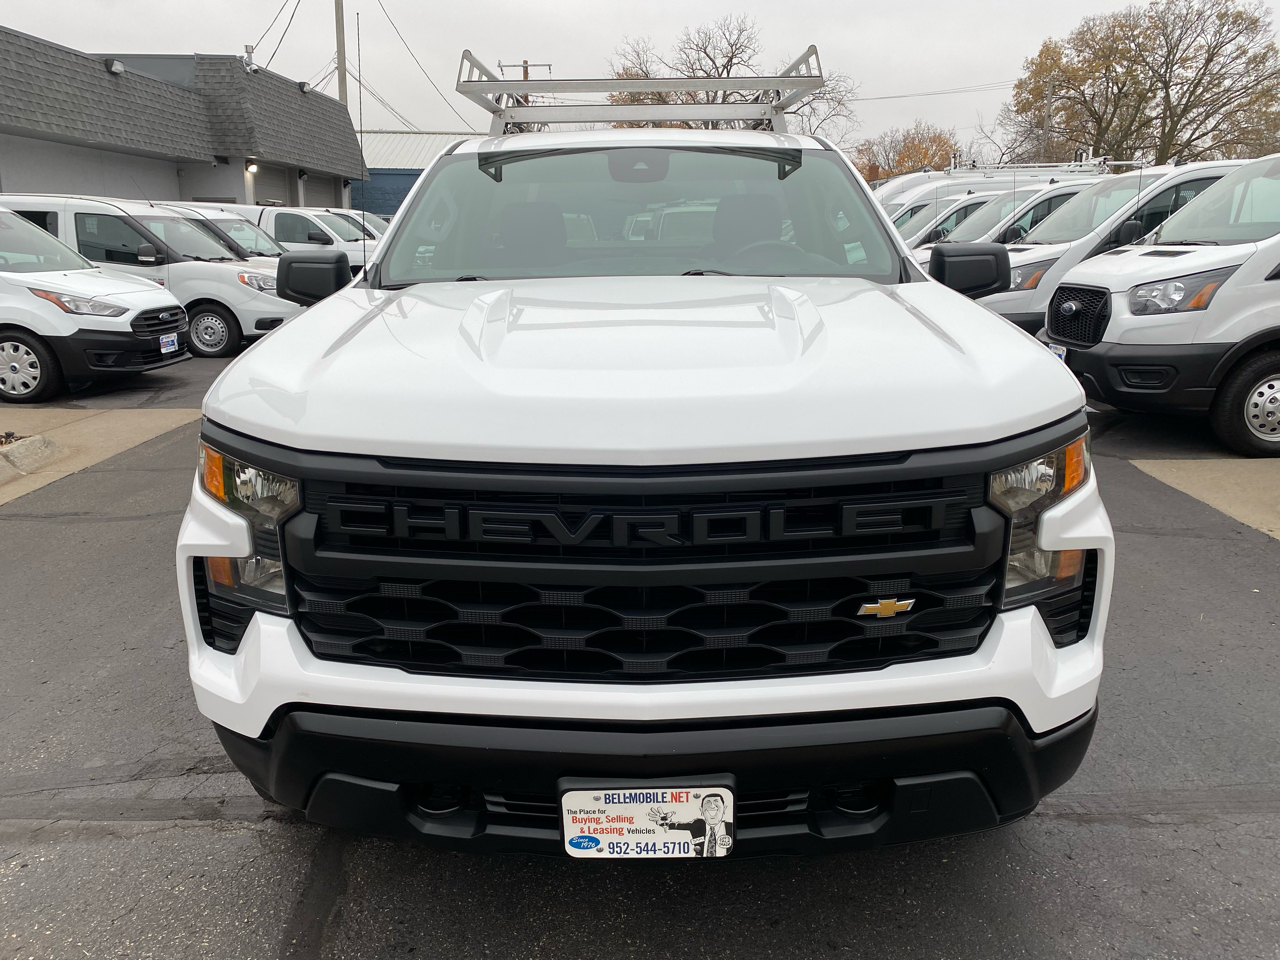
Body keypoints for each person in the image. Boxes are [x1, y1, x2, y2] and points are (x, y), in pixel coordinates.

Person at [647, 792, 734, 857]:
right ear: (701, 810)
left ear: (724, 808)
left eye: (716, 802)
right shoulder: (697, 825)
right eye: (707, 803)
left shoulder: (731, 827)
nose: (712, 806)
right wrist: (665, 823)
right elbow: (679, 825)